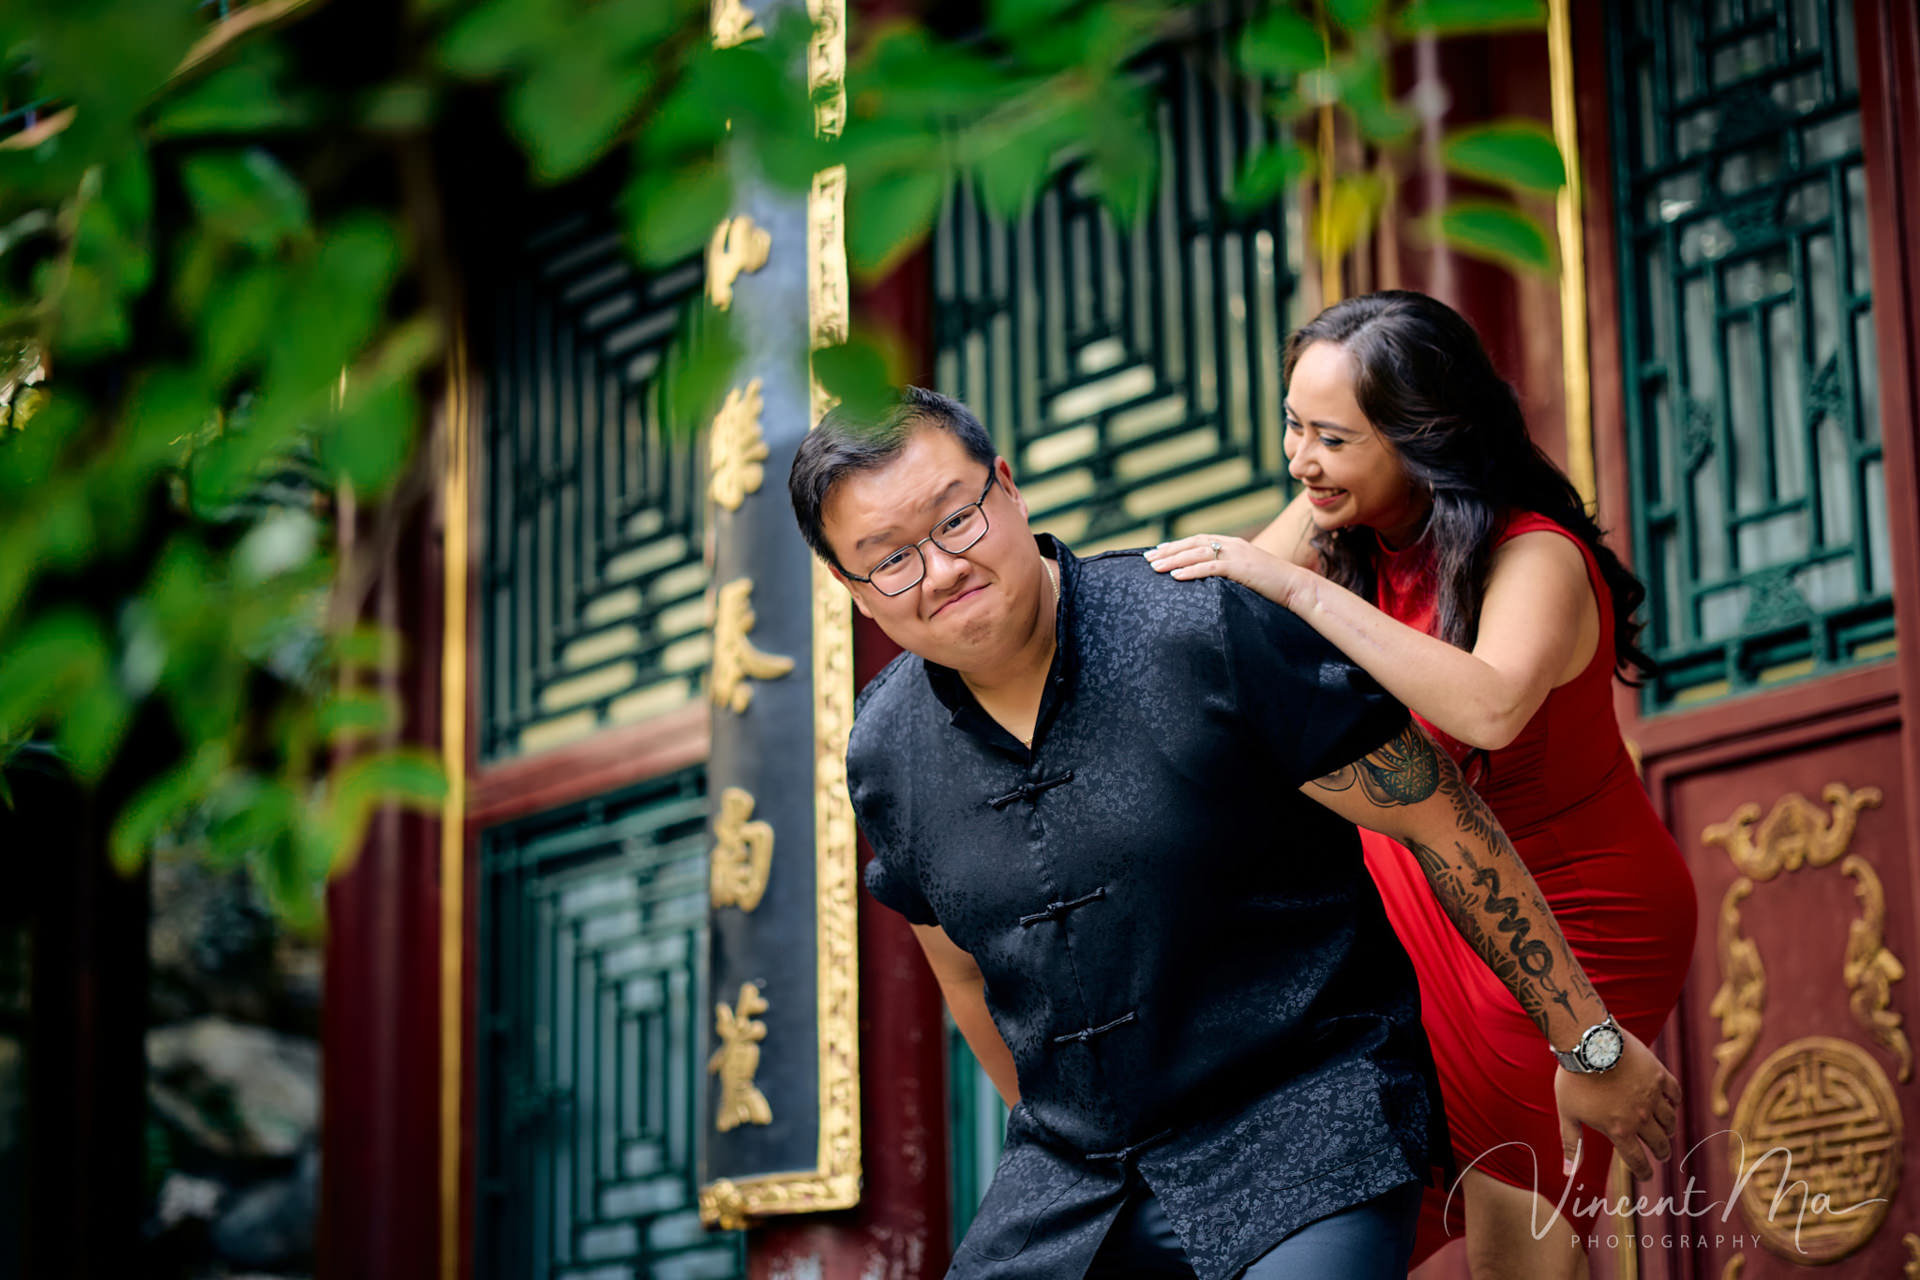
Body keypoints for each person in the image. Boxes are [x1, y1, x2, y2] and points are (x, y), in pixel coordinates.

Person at [789, 385, 1681, 1280]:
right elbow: (962, 972)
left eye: (957, 520)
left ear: (1008, 487)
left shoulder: (1199, 625)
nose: (941, 570)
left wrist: (1588, 1042)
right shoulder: (885, 753)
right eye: (891, 559)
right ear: (853, 591)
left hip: (1305, 1125)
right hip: (1078, 1184)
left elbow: (1442, 818)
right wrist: (1063, 1141)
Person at [1148, 290, 1698, 1277]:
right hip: (1415, 906)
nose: (1299, 459)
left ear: (1423, 436)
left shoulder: (1536, 557)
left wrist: (1297, 587)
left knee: (1512, 1242)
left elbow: (1487, 709)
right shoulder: (1342, 512)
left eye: (1330, 436)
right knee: (1422, 1228)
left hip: (1567, 909)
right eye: (1290, 425)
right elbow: (1202, 614)